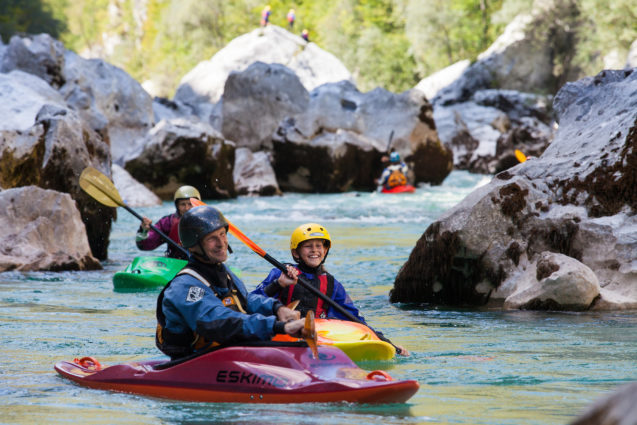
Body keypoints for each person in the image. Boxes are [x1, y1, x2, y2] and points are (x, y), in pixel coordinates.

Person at [155, 205, 305, 360]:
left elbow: (244, 301)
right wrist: (279, 326)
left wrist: (277, 308)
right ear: (193, 246)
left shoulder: (222, 272)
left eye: (222, 234)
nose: (222, 243)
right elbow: (219, 322)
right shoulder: (185, 286)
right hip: (191, 362)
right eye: (212, 238)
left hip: (221, 354)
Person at [252, 223, 409, 356]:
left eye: (319, 246)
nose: (314, 250)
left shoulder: (332, 284)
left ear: (325, 251)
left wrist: (387, 342)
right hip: (285, 330)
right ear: (296, 252)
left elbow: (354, 318)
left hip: (317, 333)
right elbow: (249, 302)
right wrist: (278, 284)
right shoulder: (281, 273)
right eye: (308, 246)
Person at [136, 185, 200, 260]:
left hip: (199, 262)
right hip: (176, 262)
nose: (187, 208)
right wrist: (144, 231)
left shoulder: (207, 220)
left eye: (190, 204)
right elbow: (145, 245)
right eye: (183, 204)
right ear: (177, 206)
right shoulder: (167, 222)